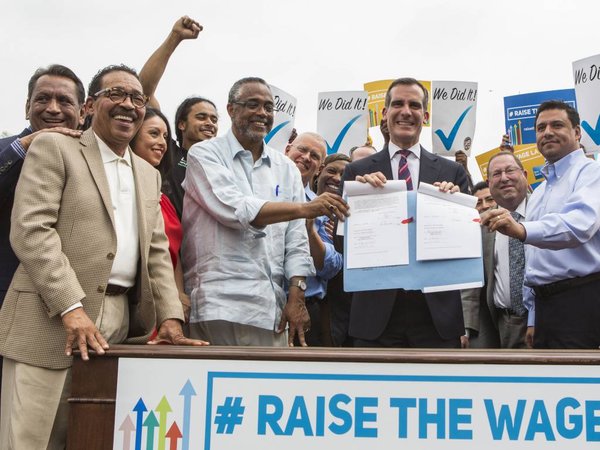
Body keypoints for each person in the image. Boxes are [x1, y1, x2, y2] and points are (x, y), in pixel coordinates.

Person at [0, 64, 207, 449]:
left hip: (119, 323)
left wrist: (171, 321)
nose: (128, 104)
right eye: (116, 94)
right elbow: (31, 231)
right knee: (30, 438)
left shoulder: (147, 174)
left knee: (89, 435)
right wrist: (70, 307)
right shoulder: (54, 147)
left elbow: (156, 252)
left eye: (137, 98)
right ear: (90, 106)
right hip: (51, 318)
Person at [182, 77, 349, 347]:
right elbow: (235, 209)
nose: (262, 113)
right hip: (218, 305)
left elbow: (296, 241)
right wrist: (304, 208)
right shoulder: (204, 154)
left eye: (269, 107)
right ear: (231, 110)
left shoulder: (286, 168)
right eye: (252, 105)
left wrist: (296, 295)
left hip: (271, 310)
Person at [339, 77, 469, 348]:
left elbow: (465, 245)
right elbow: (343, 244)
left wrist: (453, 209)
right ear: (384, 113)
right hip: (375, 316)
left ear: (426, 115)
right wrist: (361, 205)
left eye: (414, 105)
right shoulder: (357, 172)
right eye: (398, 104)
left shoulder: (452, 173)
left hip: (436, 317)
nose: (406, 111)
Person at [481, 100, 600, 349]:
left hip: (582, 299)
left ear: (577, 132)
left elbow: (579, 225)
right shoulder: (542, 191)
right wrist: (534, 317)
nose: (547, 132)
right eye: (540, 127)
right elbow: (533, 259)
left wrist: (522, 230)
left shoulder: (591, 172)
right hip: (546, 309)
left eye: (557, 125)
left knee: (579, 384)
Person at [0, 64, 85, 397]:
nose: (52, 109)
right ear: (26, 107)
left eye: (63, 100)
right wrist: (27, 144)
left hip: (74, 310)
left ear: (83, 111)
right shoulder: (9, 150)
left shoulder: (93, 156)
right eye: (42, 99)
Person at [139, 15, 219, 218]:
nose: (209, 123)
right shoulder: (170, 153)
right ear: (181, 124)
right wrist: (175, 37)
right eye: (201, 117)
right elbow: (144, 92)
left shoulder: (222, 164)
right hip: (169, 244)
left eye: (214, 119)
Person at [130, 107, 191, 322]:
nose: (163, 143)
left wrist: (179, 294)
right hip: (137, 306)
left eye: (165, 136)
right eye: (153, 134)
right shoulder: (124, 189)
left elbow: (169, 252)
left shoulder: (163, 198)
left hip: (168, 305)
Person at [466, 151, 530, 349]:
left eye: (510, 170)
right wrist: (467, 327)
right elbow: (471, 281)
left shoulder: (546, 212)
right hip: (501, 324)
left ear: (525, 176)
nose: (504, 178)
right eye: (496, 174)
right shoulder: (483, 226)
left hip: (543, 322)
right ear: (489, 182)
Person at [285, 133, 344, 346]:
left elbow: (331, 267)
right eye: (302, 150)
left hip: (307, 308)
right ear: (287, 150)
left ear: (318, 167)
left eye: (315, 155)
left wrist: (310, 231)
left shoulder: (325, 207)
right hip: (266, 304)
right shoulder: (263, 196)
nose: (306, 157)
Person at [313, 153, 353, 346]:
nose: (336, 178)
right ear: (319, 171)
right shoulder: (299, 204)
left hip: (343, 311)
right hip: (308, 303)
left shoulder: (353, 216)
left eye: (344, 174)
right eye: (331, 170)